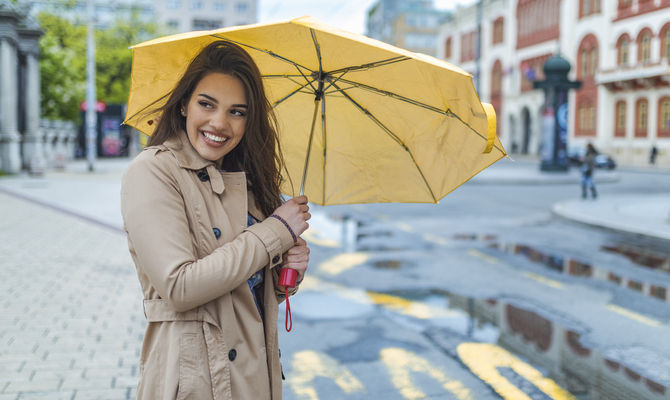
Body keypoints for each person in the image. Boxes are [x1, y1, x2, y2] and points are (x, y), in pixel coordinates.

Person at [120, 40, 311, 399]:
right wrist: (276, 231)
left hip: (255, 379)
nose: (219, 123)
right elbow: (179, 287)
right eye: (207, 104)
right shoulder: (153, 171)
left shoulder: (248, 182)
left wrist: (285, 274)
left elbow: (244, 286)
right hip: (196, 381)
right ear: (183, 105)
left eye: (237, 112)